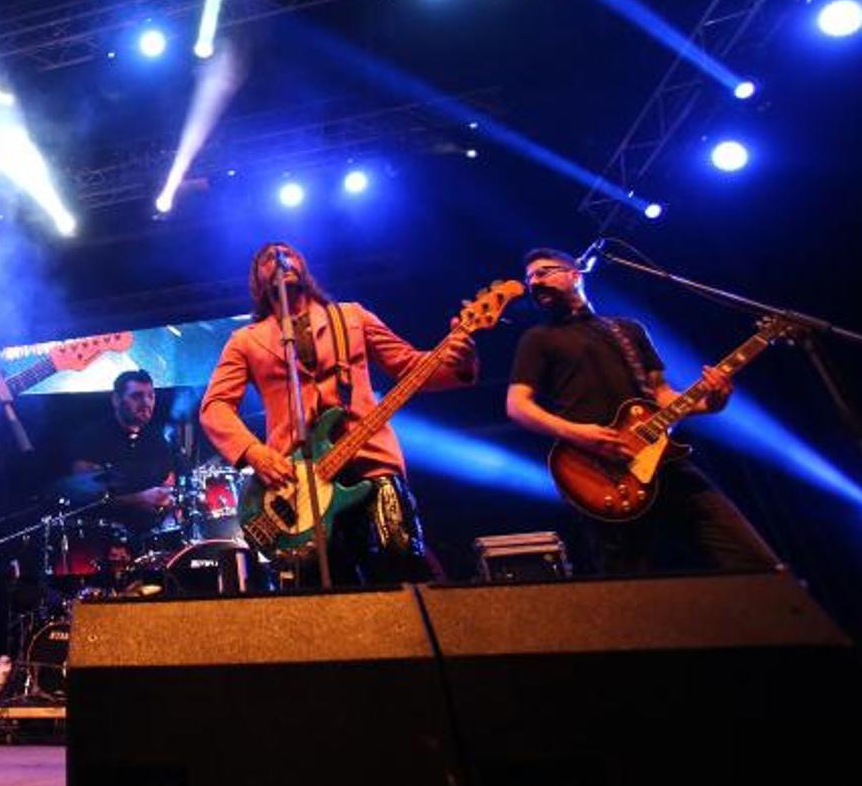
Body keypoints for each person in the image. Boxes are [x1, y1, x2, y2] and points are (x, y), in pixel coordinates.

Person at [199, 241, 477, 584]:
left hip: (372, 462)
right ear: (257, 280)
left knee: (402, 561)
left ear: (303, 266)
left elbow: (409, 367)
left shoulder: (352, 317)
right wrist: (254, 452)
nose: (280, 259)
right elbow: (215, 406)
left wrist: (459, 362)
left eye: (287, 253)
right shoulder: (245, 340)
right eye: (268, 258)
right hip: (299, 483)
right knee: (328, 590)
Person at [506, 247, 780, 574]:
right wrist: (578, 433)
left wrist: (713, 402)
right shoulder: (537, 339)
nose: (534, 282)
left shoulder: (628, 330)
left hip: (664, 462)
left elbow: (661, 396)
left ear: (574, 275)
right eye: (529, 278)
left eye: (543, 272)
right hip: (601, 471)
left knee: (756, 564)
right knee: (631, 584)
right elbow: (517, 405)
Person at [64, 369, 175, 536]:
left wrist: (168, 499)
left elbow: (168, 482)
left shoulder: (157, 439)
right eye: (137, 396)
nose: (146, 402)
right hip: (104, 537)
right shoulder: (91, 439)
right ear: (116, 400)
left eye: (151, 396)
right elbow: (85, 499)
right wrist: (141, 498)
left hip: (153, 536)